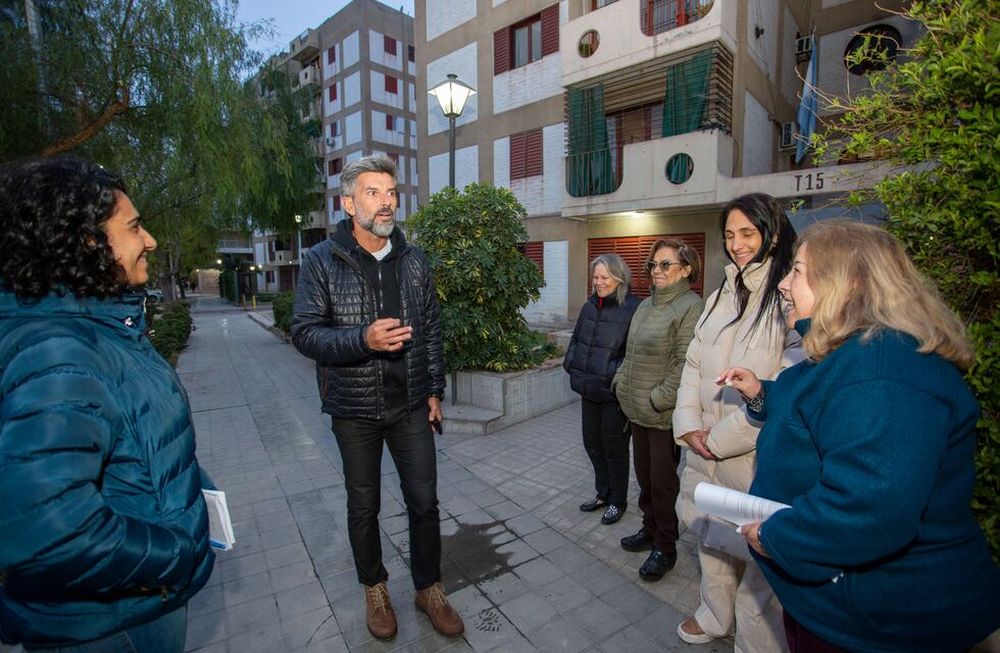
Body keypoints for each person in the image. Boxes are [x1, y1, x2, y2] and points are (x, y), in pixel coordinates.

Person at [719, 220, 1000, 653]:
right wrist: (761, 393)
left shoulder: (881, 368)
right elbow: (821, 411)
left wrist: (775, 538)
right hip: (847, 609)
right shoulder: (853, 357)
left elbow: (869, 509)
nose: (784, 285)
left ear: (845, 284)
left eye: (796, 270)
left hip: (883, 624)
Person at [0, 157, 215, 652]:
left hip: (129, 607)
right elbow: (47, 529)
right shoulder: (60, 353)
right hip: (113, 624)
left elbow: (133, 441)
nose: (151, 240)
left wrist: (189, 490)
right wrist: (175, 552)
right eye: (135, 226)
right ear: (88, 242)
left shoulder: (100, 330)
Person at [290, 155, 463, 640]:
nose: (386, 202)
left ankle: (428, 587)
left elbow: (429, 330)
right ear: (348, 203)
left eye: (390, 192)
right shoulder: (321, 261)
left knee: (425, 501)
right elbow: (304, 334)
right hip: (354, 408)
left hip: (410, 404)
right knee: (363, 506)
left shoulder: (413, 259)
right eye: (373, 193)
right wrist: (361, 340)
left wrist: (433, 389)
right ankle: (375, 587)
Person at [673, 193, 800, 651]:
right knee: (711, 539)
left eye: (747, 233)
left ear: (772, 232)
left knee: (759, 563)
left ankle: (756, 643)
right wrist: (689, 427)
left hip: (753, 455)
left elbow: (788, 382)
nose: (737, 244)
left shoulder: (789, 294)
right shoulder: (722, 291)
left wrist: (719, 440)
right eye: (730, 234)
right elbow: (692, 363)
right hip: (703, 446)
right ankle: (714, 616)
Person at [612, 239, 703, 581]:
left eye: (666, 264)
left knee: (664, 485)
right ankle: (649, 530)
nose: (657, 271)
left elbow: (684, 362)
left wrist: (658, 398)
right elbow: (630, 352)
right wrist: (620, 382)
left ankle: (665, 546)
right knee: (645, 480)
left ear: (686, 269)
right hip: (635, 411)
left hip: (662, 417)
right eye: (653, 265)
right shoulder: (646, 305)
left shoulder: (690, 306)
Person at [563, 254, 641, 525]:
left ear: (619, 278)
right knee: (592, 444)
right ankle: (603, 493)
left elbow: (635, 354)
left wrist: (615, 376)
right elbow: (576, 340)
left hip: (613, 395)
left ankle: (617, 501)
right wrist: (571, 364)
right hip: (588, 390)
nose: (598, 282)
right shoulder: (589, 306)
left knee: (614, 450)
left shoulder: (634, 307)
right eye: (595, 277)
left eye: (604, 277)